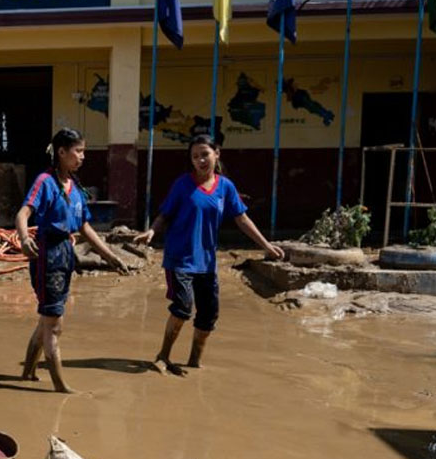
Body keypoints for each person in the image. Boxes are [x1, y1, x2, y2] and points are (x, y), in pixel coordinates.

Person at [134, 134, 284, 376]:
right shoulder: (183, 184)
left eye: (204, 154)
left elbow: (242, 219)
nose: (200, 160)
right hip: (179, 258)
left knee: (208, 314)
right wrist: (151, 230)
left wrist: (265, 245)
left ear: (217, 154)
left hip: (206, 262)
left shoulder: (225, 187)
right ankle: (163, 355)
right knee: (183, 307)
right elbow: (165, 214)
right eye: (195, 156)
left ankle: (194, 362)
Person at [17, 128, 128, 393]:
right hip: (48, 254)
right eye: (78, 151)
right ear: (62, 152)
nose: (82, 157)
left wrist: (111, 257)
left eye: (84, 151)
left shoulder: (75, 186)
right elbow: (23, 213)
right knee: (54, 325)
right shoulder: (45, 181)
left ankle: (27, 374)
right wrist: (23, 239)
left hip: (66, 254)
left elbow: (85, 227)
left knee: (46, 320)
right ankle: (61, 387)